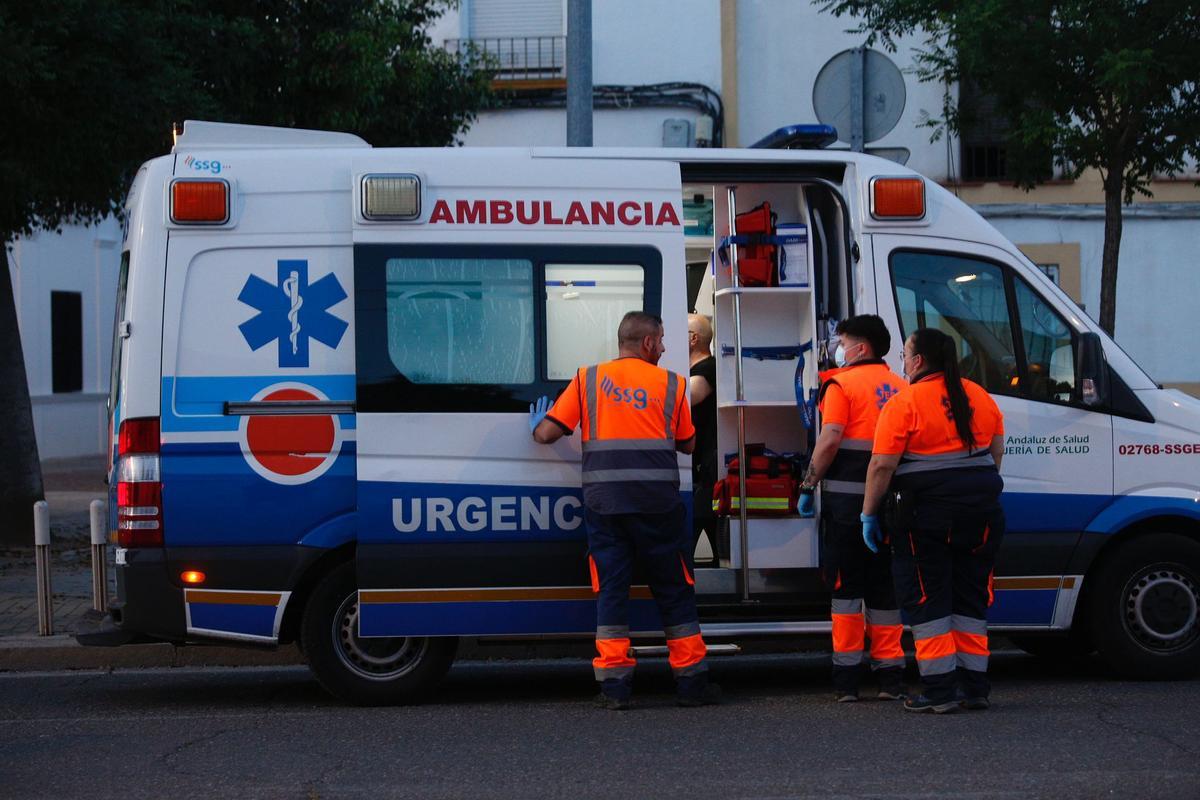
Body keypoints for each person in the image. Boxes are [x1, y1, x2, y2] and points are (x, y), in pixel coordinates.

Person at [530, 311, 720, 710]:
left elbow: (546, 434)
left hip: (607, 507)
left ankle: (615, 686)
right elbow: (687, 443)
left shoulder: (588, 379)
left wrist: (537, 423)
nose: (666, 348)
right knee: (674, 591)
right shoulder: (671, 383)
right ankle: (692, 683)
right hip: (658, 507)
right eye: (663, 340)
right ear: (648, 343)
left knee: (611, 593)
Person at [862, 327, 1006, 714]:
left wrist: (869, 514)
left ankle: (940, 690)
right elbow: (995, 454)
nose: (903, 363)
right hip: (982, 514)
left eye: (905, 356)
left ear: (919, 361)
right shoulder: (980, 397)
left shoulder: (904, 402)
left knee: (928, 600)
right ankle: (975, 686)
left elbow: (881, 466)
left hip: (925, 517)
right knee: (970, 599)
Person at [799, 315, 907, 702]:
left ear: (860, 348)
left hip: (846, 509)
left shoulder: (839, 384)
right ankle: (891, 677)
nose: (837, 348)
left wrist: (808, 484)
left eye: (842, 341)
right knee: (886, 591)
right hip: (892, 507)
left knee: (846, 591)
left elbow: (829, 441)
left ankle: (846, 680)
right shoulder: (901, 386)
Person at [687, 313, 718, 560]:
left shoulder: (707, 369)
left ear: (693, 339)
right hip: (698, 466)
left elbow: (686, 399)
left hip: (705, 467)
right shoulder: (695, 369)